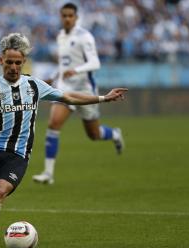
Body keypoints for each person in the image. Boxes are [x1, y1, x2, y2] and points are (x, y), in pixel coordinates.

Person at [0, 33, 127, 248]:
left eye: (18, 62)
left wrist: (102, 98)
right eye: (9, 62)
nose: (13, 67)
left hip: (18, 157)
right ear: (1, 61)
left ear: (23, 62)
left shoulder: (34, 85)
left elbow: (68, 97)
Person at [32, 3, 125, 185]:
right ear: (61, 17)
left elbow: (95, 63)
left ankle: (114, 134)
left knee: (94, 134)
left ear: (76, 17)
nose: (67, 19)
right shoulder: (60, 36)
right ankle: (48, 173)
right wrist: (53, 77)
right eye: (64, 15)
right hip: (65, 89)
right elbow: (63, 65)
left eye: (70, 16)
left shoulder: (85, 37)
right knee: (53, 123)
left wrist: (76, 70)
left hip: (85, 90)